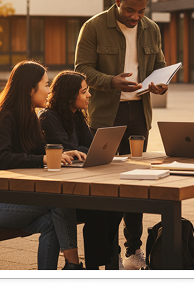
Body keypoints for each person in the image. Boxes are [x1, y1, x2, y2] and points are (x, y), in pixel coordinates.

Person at [75, 0, 167, 270]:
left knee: (137, 182)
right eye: (130, 10)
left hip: (139, 114)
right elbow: (82, 70)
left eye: (140, 11)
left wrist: (161, 83)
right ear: (118, 2)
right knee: (106, 184)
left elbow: (160, 66)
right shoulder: (93, 27)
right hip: (105, 115)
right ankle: (108, 250)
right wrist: (111, 82)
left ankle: (133, 250)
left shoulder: (151, 29)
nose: (135, 16)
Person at [0, 60, 84, 270]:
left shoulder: (29, 117)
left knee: (52, 222)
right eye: (46, 85)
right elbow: (3, 159)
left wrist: (61, 153)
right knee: (60, 202)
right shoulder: (4, 117)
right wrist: (43, 159)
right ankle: (73, 266)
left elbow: (39, 149)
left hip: (6, 196)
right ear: (30, 89)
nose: (49, 91)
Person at [39, 70, 124, 270]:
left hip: (76, 185)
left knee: (118, 203)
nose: (89, 95)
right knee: (100, 208)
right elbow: (70, 149)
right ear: (70, 95)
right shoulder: (48, 118)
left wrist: (92, 151)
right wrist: (85, 151)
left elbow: (90, 146)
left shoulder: (76, 116)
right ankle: (95, 266)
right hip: (60, 195)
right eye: (84, 91)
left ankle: (106, 260)